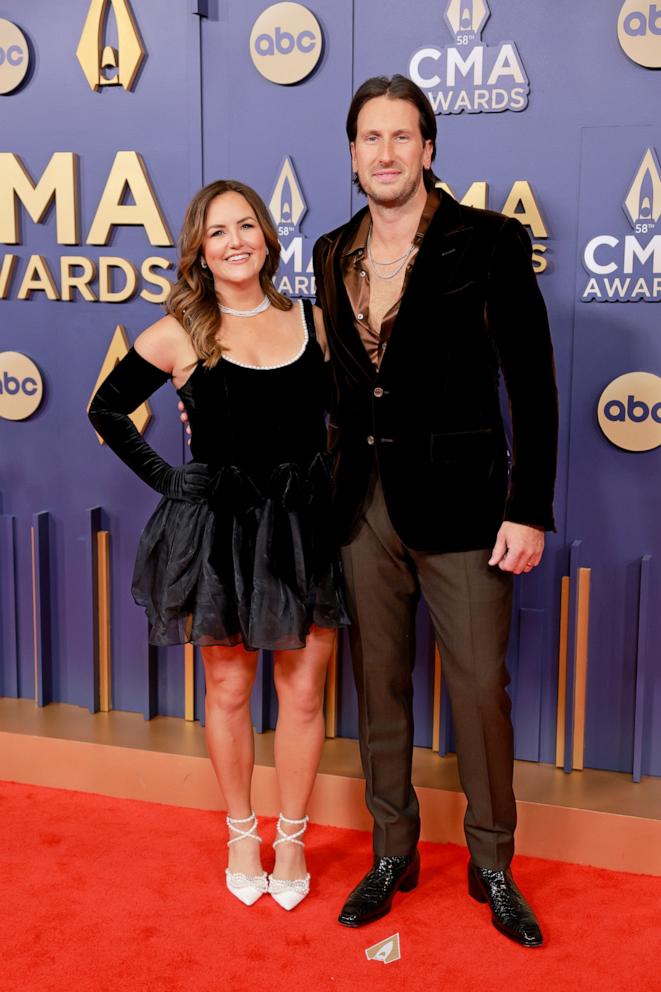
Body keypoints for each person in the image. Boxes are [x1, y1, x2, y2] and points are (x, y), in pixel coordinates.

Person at [312, 75, 559, 947]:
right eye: (368, 138)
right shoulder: (328, 249)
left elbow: (530, 383)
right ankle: (393, 852)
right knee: (378, 692)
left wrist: (527, 508)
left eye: (400, 137)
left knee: (477, 694)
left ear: (427, 148)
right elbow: (340, 383)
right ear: (351, 155)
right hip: (362, 509)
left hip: (463, 507)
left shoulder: (488, 241)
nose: (384, 153)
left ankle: (492, 865)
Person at [88, 179, 349, 912]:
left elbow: (353, 419)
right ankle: (242, 831)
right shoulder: (179, 330)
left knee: (302, 694)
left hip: (301, 527)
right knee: (229, 689)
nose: (235, 241)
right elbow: (107, 409)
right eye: (216, 232)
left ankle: (291, 835)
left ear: (267, 236)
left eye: (246, 226)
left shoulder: (315, 323)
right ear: (198, 252)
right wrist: (172, 480)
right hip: (219, 533)